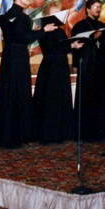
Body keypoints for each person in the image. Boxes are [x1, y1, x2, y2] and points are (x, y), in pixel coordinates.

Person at [0, 0, 58, 148]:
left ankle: (10, 136)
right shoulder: (18, 16)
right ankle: (13, 137)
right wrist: (43, 30)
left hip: (13, 57)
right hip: (16, 58)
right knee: (17, 93)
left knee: (13, 93)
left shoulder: (12, 15)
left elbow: (20, 36)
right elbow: (23, 37)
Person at [32, 14, 74, 144]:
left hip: (57, 66)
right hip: (53, 67)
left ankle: (57, 133)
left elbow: (63, 47)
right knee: (51, 98)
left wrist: (72, 46)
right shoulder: (47, 31)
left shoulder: (57, 31)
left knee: (56, 98)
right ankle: (51, 134)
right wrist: (71, 46)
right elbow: (53, 48)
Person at [71, 0, 105, 141]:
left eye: (100, 7)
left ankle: (99, 133)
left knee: (100, 99)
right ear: (87, 9)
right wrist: (93, 37)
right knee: (86, 99)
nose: (98, 9)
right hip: (86, 67)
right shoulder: (79, 26)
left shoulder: (104, 26)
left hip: (101, 67)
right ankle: (84, 133)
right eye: (95, 6)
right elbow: (77, 47)